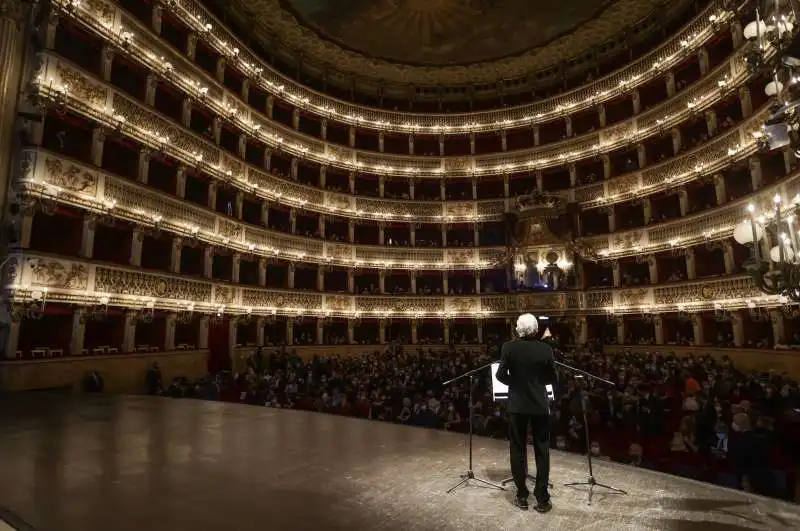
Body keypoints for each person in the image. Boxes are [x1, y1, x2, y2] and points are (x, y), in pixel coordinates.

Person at [496, 313, 557, 513]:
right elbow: (552, 377)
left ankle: (522, 495)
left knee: (518, 449)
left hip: (517, 405)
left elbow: (500, 375)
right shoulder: (545, 349)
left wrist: (516, 383)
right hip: (539, 404)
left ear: (519, 329)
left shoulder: (509, 347)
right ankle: (542, 497)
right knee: (542, 450)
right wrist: (537, 382)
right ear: (535, 329)